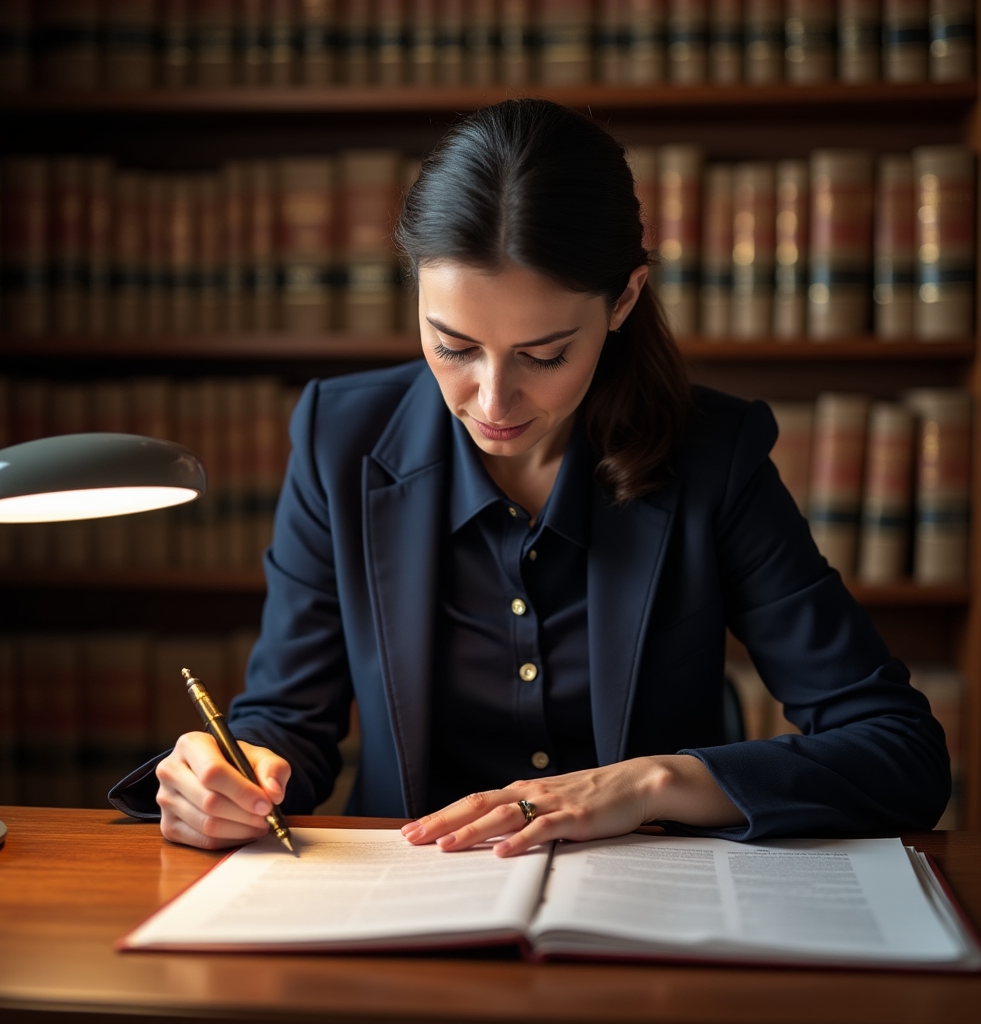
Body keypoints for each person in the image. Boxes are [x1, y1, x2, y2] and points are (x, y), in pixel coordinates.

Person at [110, 99, 950, 855]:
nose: (493, 399)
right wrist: (225, 778)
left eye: (544, 355)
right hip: (402, 898)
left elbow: (898, 750)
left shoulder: (712, 455)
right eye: (453, 346)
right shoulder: (342, 438)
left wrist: (650, 783)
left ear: (624, 301)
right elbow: (287, 722)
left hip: (645, 905)